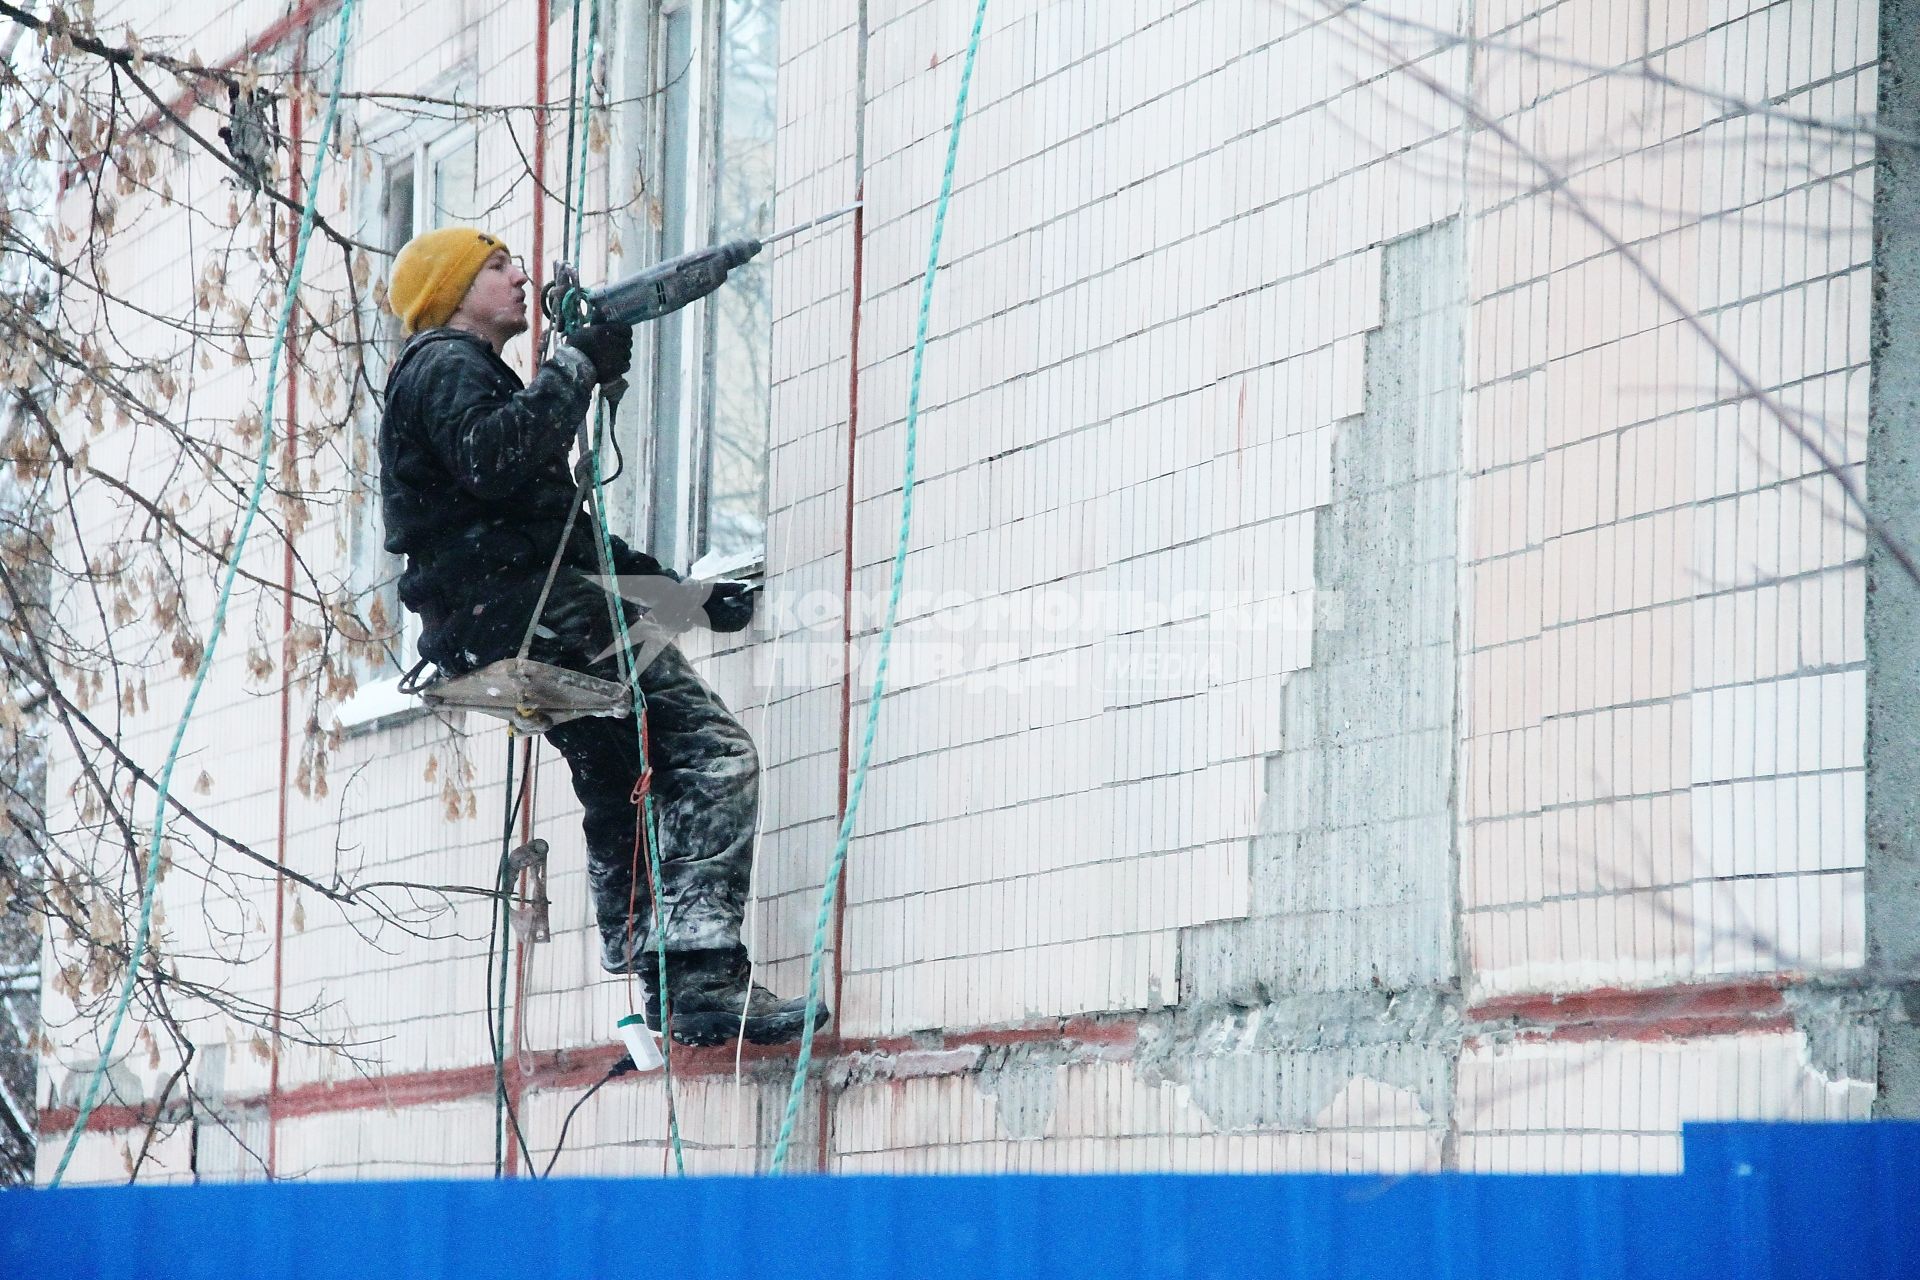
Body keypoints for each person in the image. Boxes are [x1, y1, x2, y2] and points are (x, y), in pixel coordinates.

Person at [377, 226, 825, 1047]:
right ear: (450, 291)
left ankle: (665, 979)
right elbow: (495, 458)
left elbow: (567, 541)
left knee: (624, 773)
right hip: (532, 617)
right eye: (498, 265)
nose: (520, 276)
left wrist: (685, 599)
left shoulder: (464, 381)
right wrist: (574, 368)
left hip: (505, 621)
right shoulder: (444, 365)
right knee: (712, 755)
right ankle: (704, 974)